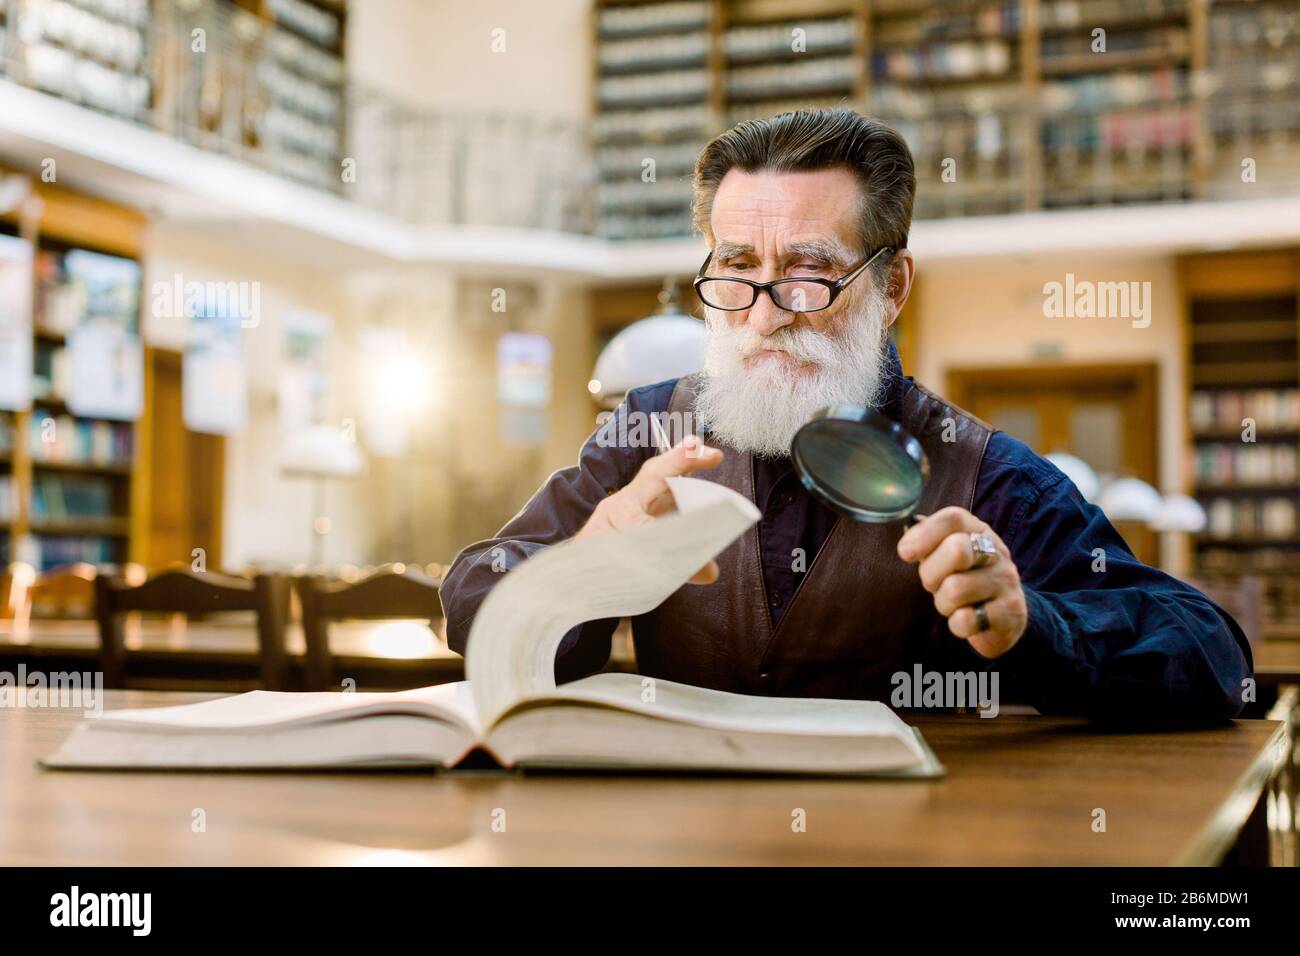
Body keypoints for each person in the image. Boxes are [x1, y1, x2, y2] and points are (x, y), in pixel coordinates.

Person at [442, 108, 1251, 723]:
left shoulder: (980, 471)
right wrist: (581, 567)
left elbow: (1217, 656)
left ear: (892, 287)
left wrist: (1034, 626)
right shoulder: (648, 431)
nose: (762, 317)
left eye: (807, 274)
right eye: (736, 270)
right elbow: (472, 597)